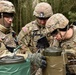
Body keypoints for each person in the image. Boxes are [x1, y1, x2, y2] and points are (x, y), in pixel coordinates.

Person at [0, 1, 46, 75]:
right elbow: (4, 57)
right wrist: (29, 57)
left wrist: (32, 55)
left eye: (11, 16)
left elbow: (18, 49)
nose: (10, 19)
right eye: (7, 16)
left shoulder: (11, 32)